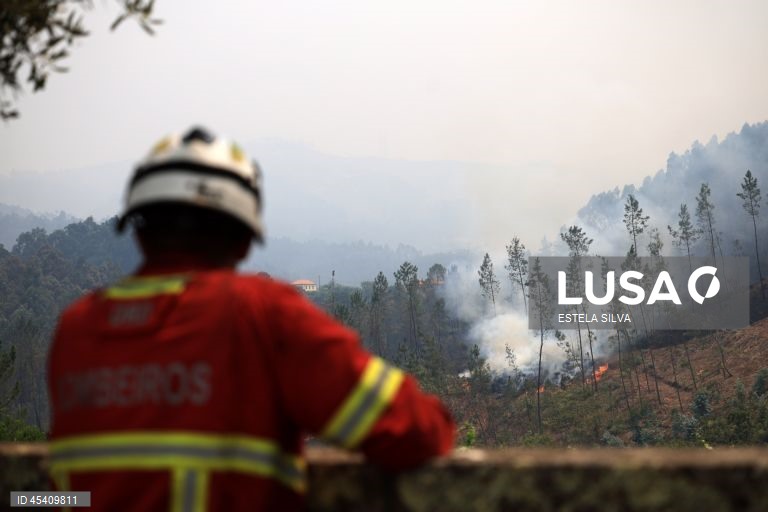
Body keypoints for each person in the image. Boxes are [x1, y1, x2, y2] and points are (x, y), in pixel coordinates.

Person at [47, 127, 455, 511]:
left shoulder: (76, 328)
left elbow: (54, 497)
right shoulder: (260, 313)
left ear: (138, 231)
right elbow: (415, 431)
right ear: (243, 239)